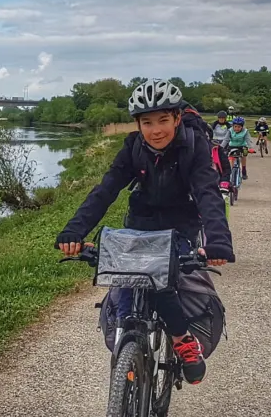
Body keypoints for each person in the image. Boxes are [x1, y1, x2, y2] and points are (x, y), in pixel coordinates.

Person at [54, 78, 236, 385]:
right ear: (138, 125)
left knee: (160, 281)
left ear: (177, 118)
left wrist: (218, 241)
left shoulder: (194, 146)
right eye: (147, 122)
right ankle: (129, 340)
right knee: (126, 281)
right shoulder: (133, 147)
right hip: (142, 220)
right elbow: (106, 190)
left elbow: (207, 193)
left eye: (164, 120)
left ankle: (182, 340)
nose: (156, 130)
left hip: (180, 223)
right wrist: (74, 231)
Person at [209, 111, 232, 192]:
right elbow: (211, 132)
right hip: (215, 142)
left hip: (224, 142)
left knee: (224, 158)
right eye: (220, 118)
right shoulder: (214, 124)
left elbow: (230, 135)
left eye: (223, 118)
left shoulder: (228, 126)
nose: (221, 120)